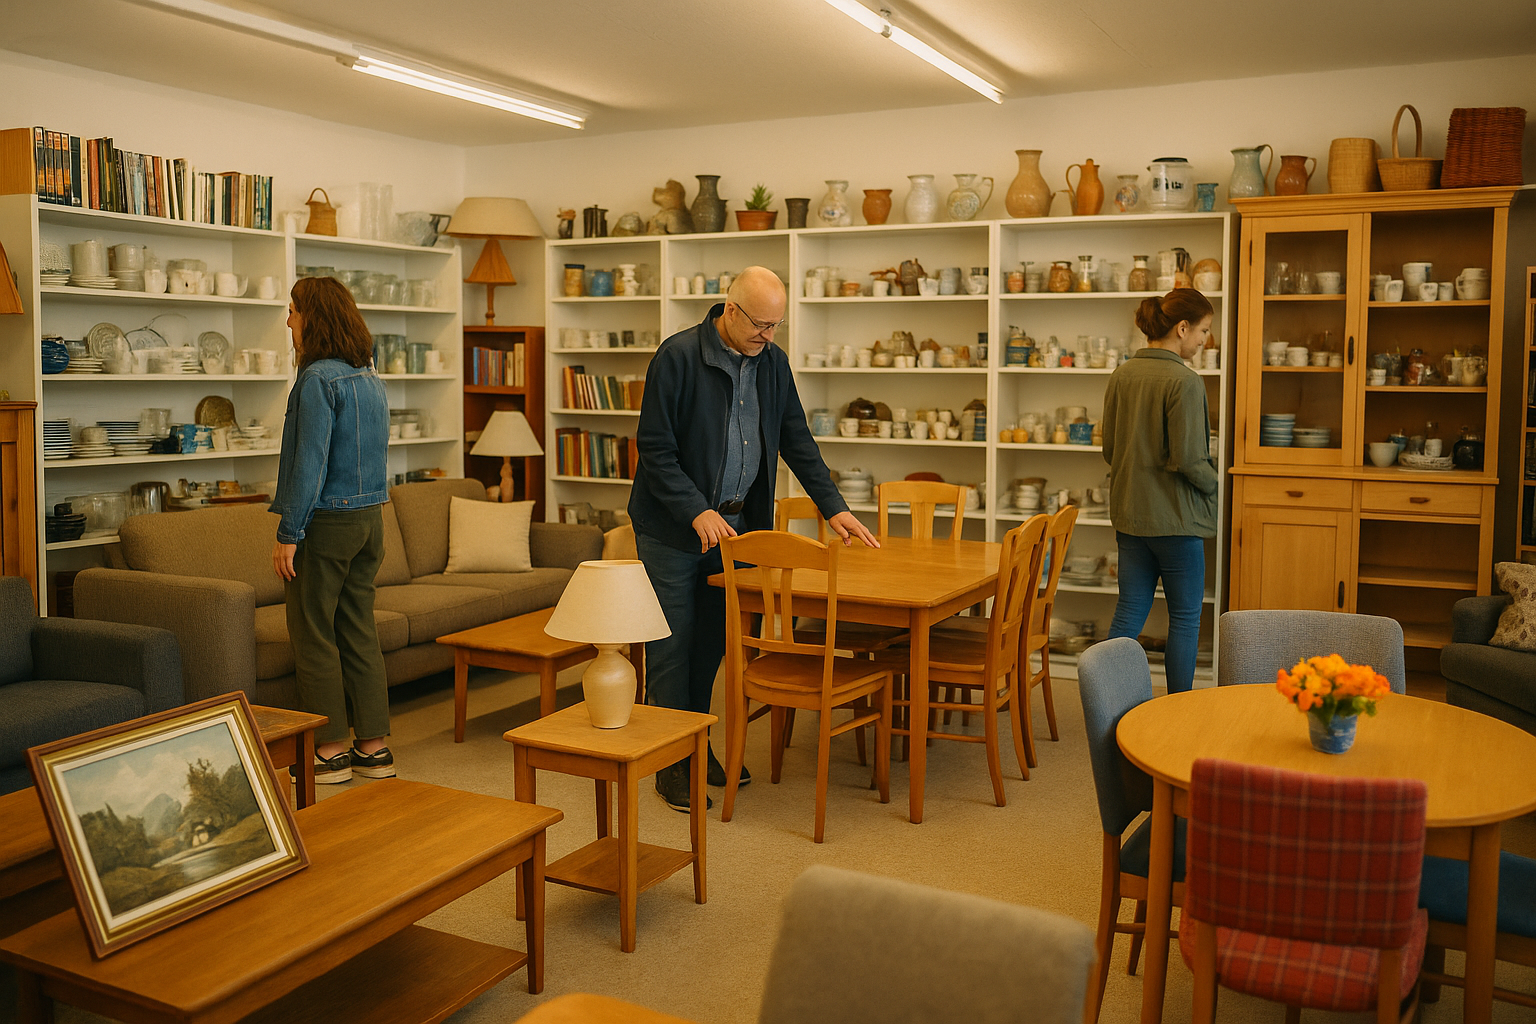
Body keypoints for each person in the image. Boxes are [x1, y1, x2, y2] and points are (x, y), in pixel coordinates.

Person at [630, 266, 880, 811]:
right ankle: (669, 764)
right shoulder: (676, 358)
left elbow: (796, 438)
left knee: (712, 645)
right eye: (761, 324)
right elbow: (655, 451)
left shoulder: (772, 362)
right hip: (674, 529)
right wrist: (696, 510)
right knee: (671, 647)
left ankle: (695, 747)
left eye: (777, 326)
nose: (768, 335)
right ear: (730, 309)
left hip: (737, 533)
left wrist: (832, 507)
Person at [269, 276, 394, 784]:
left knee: (313, 633)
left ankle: (330, 751)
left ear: (313, 317)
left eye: (293, 311)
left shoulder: (316, 380)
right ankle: (375, 748)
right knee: (358, 629)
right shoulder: (370, 379)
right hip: (370, 521)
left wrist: (288, 532)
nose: (289, 320)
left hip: (326, 523)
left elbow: (309, 465)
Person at [1100, 288, 1219, 695]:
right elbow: (1188, 460)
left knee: (1129, 611)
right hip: (1175, 522)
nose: (1205, 340)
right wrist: (1215, 483)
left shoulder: (1121, 375)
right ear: (1181, 328)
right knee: (1185, 618)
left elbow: (1110, 450)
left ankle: (1110, 703)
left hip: (1132, 516)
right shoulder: (1184, 381)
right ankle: (1178, 710)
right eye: (1203, 331)